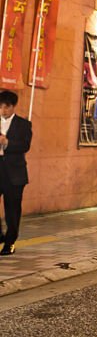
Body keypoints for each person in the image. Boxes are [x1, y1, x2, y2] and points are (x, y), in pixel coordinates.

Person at [0, 91, 31, 255]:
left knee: (12, 209)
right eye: (1, 106)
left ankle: (10, 242)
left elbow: (25, 146)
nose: (3, 110)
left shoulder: (23, 124)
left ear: (13, 106)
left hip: (14, 174)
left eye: (7, 107)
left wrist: (7, 143)